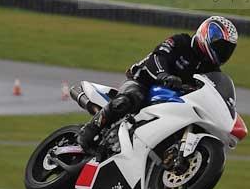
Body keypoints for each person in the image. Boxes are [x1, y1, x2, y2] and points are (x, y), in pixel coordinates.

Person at [76, 15, 238, 152]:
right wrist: (164, 75)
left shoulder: (211, 70)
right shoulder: (181, 41)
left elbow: (211, 91)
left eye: (227, 50)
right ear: (207, 34)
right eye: (220, 47)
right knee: (128, 100)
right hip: (144, 83)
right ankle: (90, 130)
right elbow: (157, 57)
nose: (222, 53)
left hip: (173, 99)